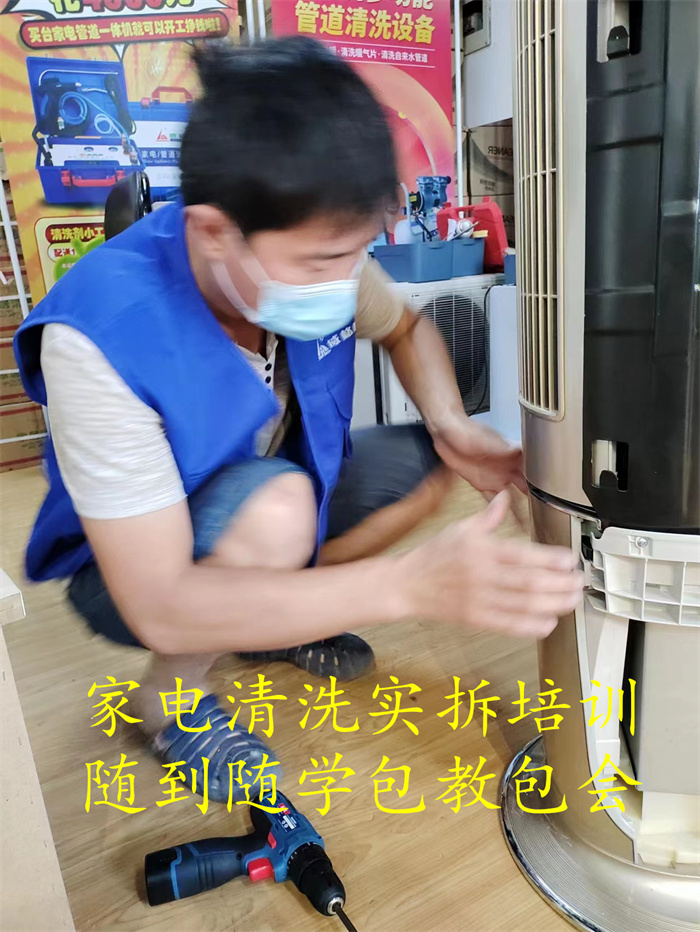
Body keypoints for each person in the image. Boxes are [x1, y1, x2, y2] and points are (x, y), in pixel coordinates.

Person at [14, 37, 583, 802]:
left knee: (424, 464)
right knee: (278, 509)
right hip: (134, 573)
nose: (345, 281)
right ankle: (167, 704)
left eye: (355, 254)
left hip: (279, 497)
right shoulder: (97, 336)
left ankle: (271, 616)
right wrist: (408, 586)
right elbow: (159, 601)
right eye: (321, 262)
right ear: (214, 232)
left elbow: (407, 329)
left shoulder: (317, 254)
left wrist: (452, 424)